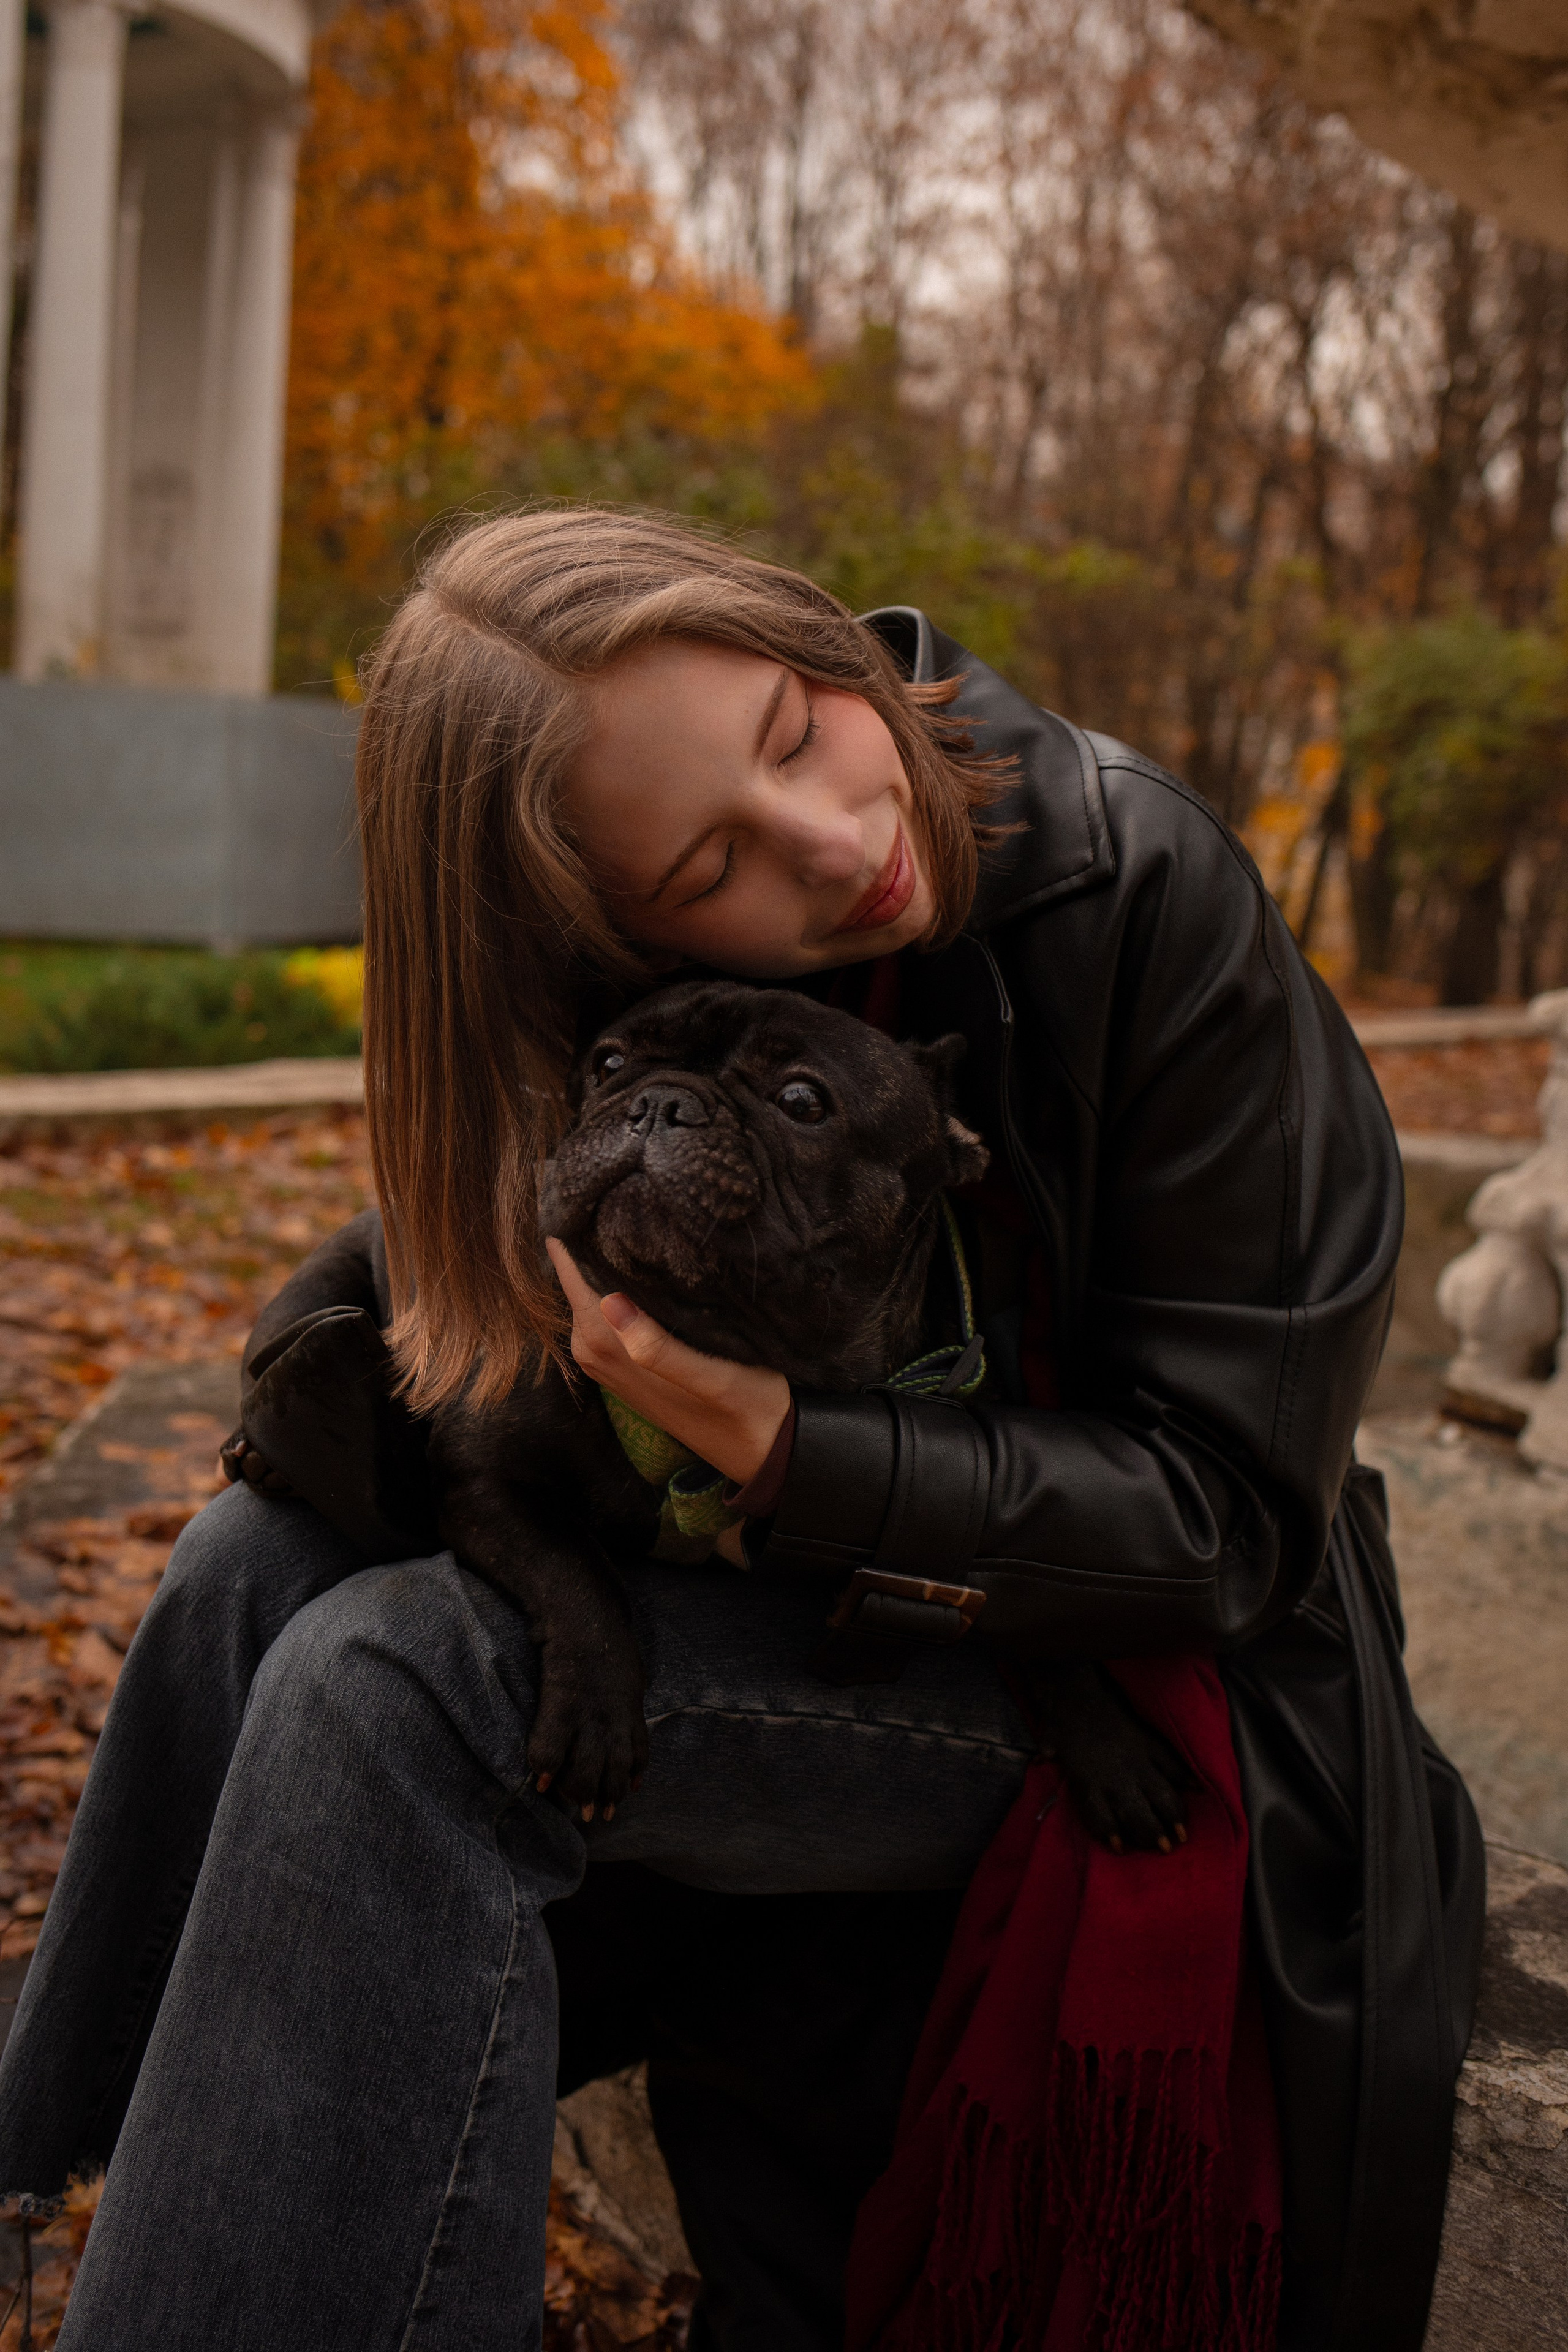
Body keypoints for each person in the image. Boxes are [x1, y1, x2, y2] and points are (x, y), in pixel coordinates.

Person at [0, 509, 1481, 2352]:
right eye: (714, 862)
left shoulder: (1151, 900)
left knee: (394, 1683)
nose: (842, 843)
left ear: (822, 639)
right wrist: (337, 1354)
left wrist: (780, 1441)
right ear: (604, 937)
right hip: (792, 1577)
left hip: (1139, 1661)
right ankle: (32, 2159)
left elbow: (1230, 1531)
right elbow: (476, 1259)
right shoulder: (619, 988)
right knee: (251, 1564)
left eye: (801, 729)